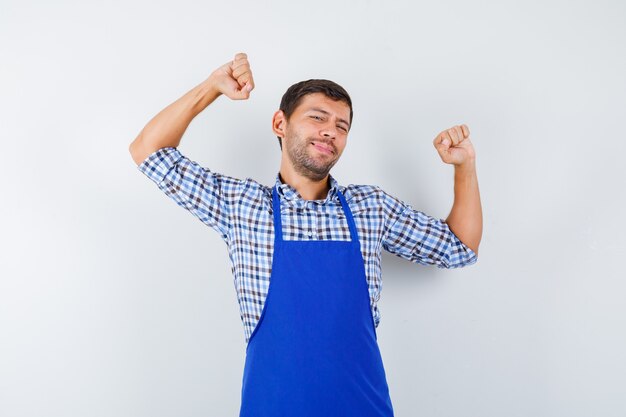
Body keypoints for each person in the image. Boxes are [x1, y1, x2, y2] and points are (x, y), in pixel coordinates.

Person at [129, 52, 482, 417]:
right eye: (317, 117)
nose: (330, 130)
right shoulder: (243, 205)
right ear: (280, 123)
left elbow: (460, 247)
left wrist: (464, 166)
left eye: (342, 126)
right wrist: (211, 87)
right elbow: (148, 151)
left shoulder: (371, 208)